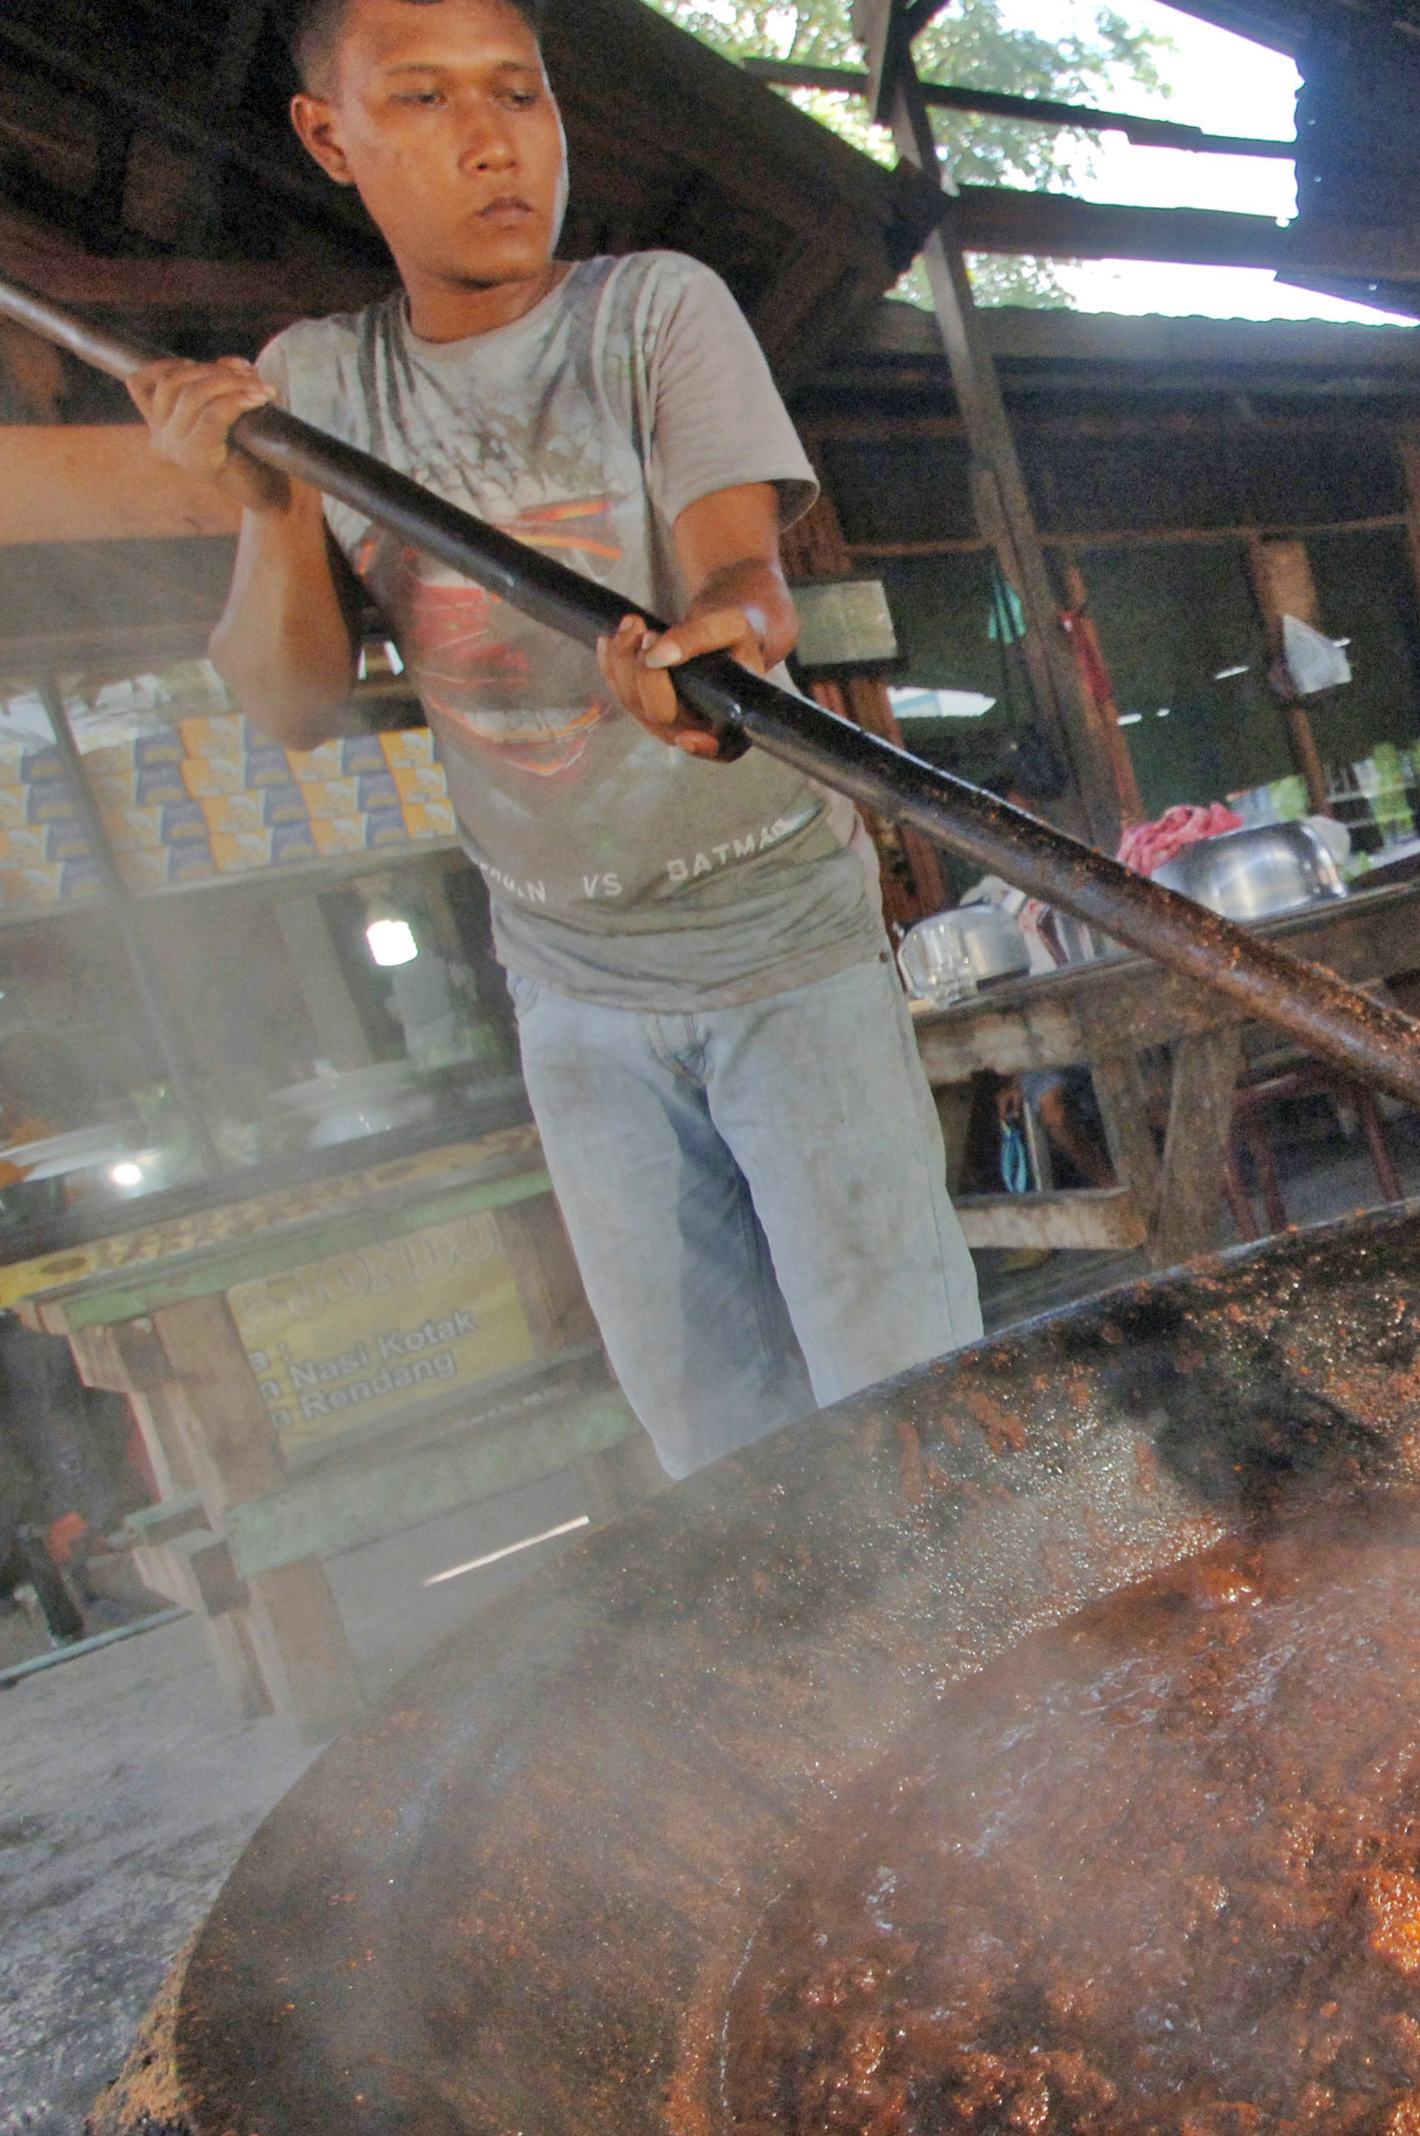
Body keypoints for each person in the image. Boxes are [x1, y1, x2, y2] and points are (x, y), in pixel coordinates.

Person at [126, 0, 979, 1477]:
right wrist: (263, 500)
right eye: (426, 99)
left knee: (909, 1400)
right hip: (577, 995)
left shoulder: (654, 311)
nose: (491, 141)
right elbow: (293, 705)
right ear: (331, 136)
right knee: (720, 1448)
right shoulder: (319, 387)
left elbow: (743, 575)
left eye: (518, 95)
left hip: (786, 942)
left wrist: (715, 645)